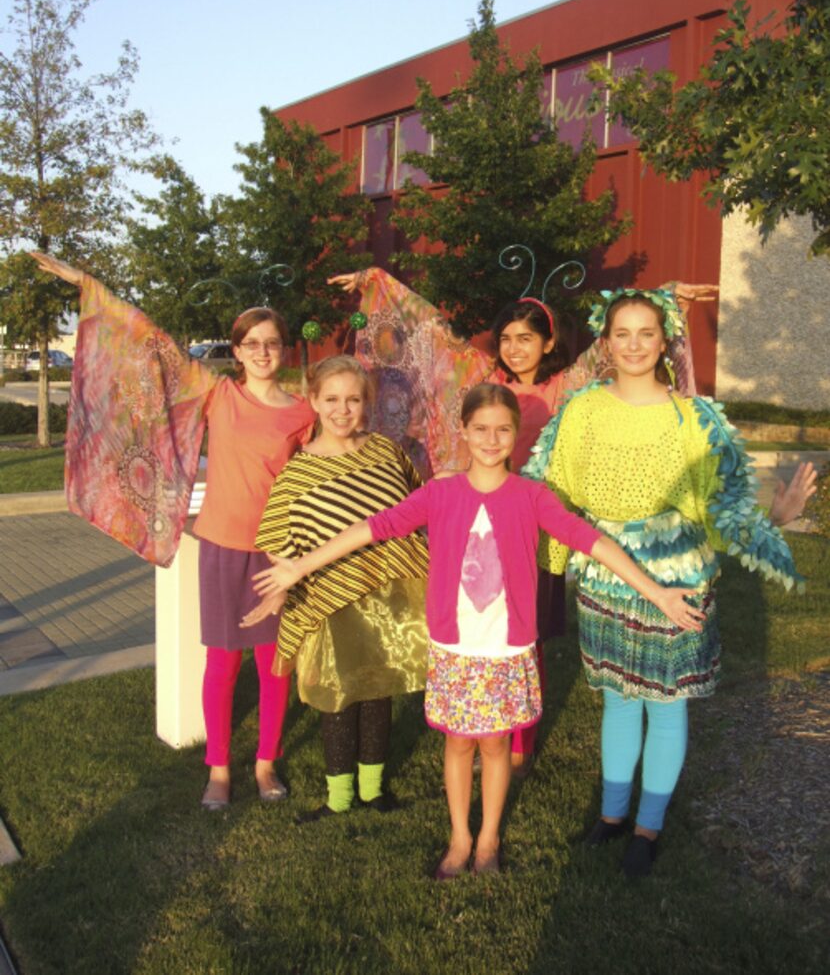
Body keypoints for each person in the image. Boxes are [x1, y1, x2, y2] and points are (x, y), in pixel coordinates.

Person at [252, 382, 706, 879]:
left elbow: (590, 540)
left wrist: (655, 591)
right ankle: (459, 837)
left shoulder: (532, 497)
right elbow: (373, 528)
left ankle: (488, 839)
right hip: (454, 646)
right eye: (481, 429)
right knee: (459, 743)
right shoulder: (440, 493)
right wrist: (300, 567)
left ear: (516, 436)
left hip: (506, 648)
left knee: (495, 745)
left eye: (503, 430)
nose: (491, 440)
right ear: (463, 432)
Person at [330, 266, 716, 775]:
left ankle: (517, 743)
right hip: (484, 531)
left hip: (538, 529)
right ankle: (476, 728)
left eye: (526, 338)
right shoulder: (483, 382)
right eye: (506, 339)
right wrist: (381, 282)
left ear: (547, 341)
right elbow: (432, 335)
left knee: (526, 640)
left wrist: (667, 298)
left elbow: (622, 345)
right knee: (483, 635)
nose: (515, 348)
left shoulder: (570, 388)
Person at [522, 287, 817, 877]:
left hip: (676, 578)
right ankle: (611, 817)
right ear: (606, 341)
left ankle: (647, 828)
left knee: (667, 703)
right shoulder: (581, 411)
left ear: (665, 342)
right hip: (606, 578)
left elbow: (720, 501)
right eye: (621, 333)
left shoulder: (692, 417)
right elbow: (552, 493)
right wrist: (539, 563)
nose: (633, 345)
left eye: (646, 334)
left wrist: (774, 518)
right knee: (619, 699)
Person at [30, 251, 315, 810]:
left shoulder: (303, 413)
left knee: (276, 662)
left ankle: (265, 764)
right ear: (235, 351)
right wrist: (86, 285)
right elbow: (148, 343)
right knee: (223, 663)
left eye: (271, 342)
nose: (261, 352)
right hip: (222, 546)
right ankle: (218, 771)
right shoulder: (218, 394)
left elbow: (316, 478)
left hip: (280, 550)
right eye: (250, 343)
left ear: (284, 350)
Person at [242, 356, 429, 820]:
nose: (343, 410)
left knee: (379, 688)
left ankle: (374, 789)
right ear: (314, 402)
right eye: (332, 400)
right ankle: (340, 796)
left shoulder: (388, 452)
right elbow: (279, 538)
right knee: (339, 695)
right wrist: (280, 586)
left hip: (388, 593)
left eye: (353, 400)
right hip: (328, 599)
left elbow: (413, 507)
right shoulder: (299, 471)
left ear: (366, 403)